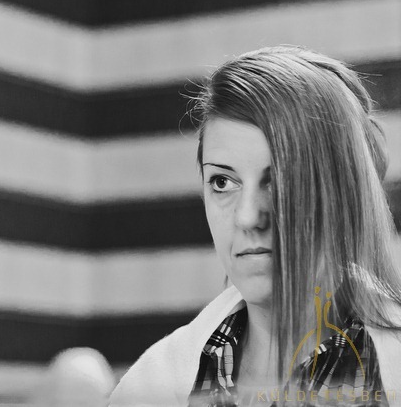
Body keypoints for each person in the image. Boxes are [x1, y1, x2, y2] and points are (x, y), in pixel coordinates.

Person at [109, 46, 401, 406]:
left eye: (279, 179)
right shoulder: (150, 386)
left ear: (344, 189)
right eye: (222, 182)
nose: (248, 217)